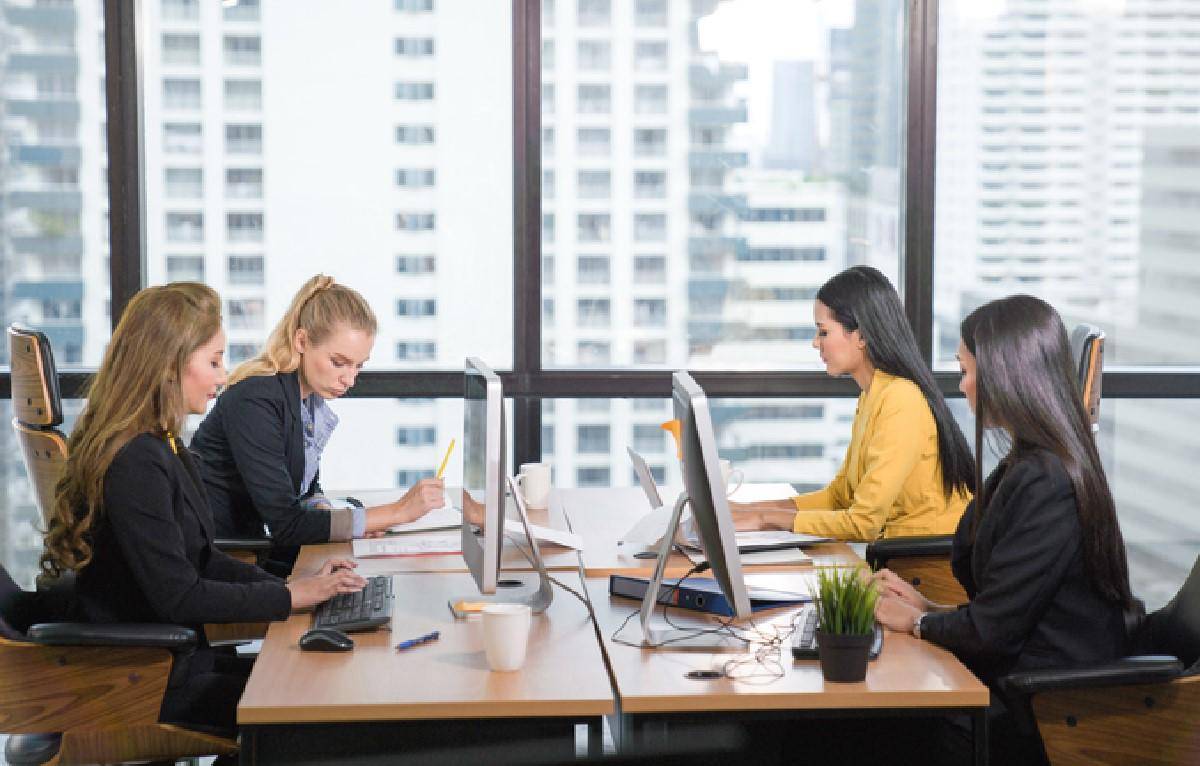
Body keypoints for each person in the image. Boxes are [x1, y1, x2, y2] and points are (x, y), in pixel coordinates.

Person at [39, 282, 366, 737]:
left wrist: (292, 585)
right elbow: (181, 594)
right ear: (168, 365)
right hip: (140, 681)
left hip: (176, 662)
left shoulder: (165, 444)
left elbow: (203, 558)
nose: (222, 375)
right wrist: (292, 598)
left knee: (323, 691)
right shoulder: (135, 460)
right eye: (213, 360)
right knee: (319, 717)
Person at [874, 294, 1134, 763]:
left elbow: (996, 631)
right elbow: (1008, 610)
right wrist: (927, 607)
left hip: (1045, 707)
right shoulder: (1028, 462)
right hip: (1020, 676)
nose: (963, 384)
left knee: (874, 723)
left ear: (1006, 376)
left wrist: (918, 623)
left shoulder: (1047, 479)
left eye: (967, 370)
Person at [191, 275, 444, 567]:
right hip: (227, 560)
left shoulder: (306, 401)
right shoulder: (256, 400)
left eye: (358, 366)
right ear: (302, 341)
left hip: (254, 552)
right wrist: (397, 513)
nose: (349, 379)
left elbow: (305, 491)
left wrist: (346, 519)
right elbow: (286, 523)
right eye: (339, 362)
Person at [731, 266, 974, 541]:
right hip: (897, 559)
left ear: (861, 336)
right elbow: (840, 496)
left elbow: (863, 523)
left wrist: (767, 519)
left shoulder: (901, 399)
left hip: (924, 567)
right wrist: (751, 510)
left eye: (823, 332)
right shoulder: (873, 395)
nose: (815, 343)